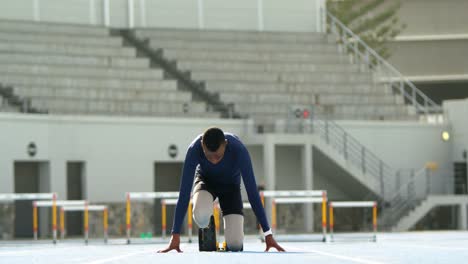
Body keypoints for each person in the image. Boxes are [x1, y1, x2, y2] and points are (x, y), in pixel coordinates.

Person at [158, 127, 285, 253]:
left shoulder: (239, 150)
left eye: (218, 156)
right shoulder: (194, 149)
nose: (213, 161)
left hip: (231, 188)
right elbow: (184, 193)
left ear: (225, 144)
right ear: (202, 145)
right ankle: (207, 225)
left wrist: (268, 234)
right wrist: (175, 235)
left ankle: (225, 244)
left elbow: (253, 194)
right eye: (209, 156)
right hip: (206, 183)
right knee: (201, 215)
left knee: (235, 245)